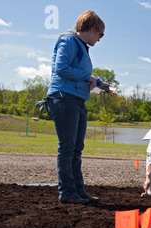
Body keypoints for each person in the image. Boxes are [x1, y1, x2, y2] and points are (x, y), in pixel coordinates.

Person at [46, 10, 109, 204]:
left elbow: (80, 73)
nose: (100, 40)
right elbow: (61, 68)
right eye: (100, 35)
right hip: (65, 98)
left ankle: (79, 191)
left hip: (77, 100)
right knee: (67, 147)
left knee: (76, 148)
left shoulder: (81, 46)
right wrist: (88, 78)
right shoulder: (68, 41)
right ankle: (67, 192)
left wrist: (97, 83)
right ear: (92, 29)